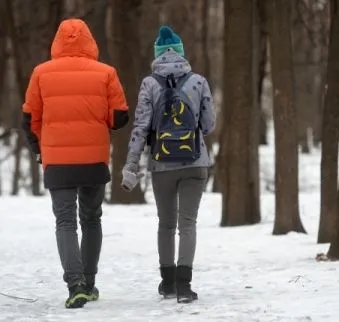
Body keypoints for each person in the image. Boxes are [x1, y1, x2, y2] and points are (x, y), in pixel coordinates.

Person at [22, 19, 129, 309]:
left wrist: (39, 149)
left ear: (57, 41)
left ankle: (75, 284)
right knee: (91, 219)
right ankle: (90, 282)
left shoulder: (41, 73)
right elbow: (119, 118)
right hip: (93, 159)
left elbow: (30, 119)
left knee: (65, 221)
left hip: (57, 160)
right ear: (90, 41)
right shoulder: (106, 72)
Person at [121, 25, 216, 303]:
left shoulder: (149, 84)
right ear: (182, 54)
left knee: (166, 223)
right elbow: (209, 125)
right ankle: (185, 286)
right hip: (195, 162)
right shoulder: (199, 81)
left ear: (157, 55)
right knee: (188, 223)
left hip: (162, 165)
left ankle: (168, 283)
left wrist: (130, 166)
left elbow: (140, 127)